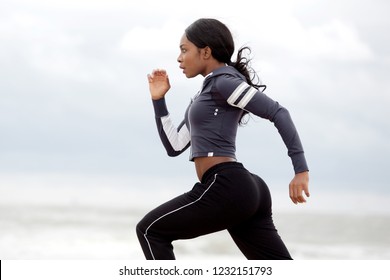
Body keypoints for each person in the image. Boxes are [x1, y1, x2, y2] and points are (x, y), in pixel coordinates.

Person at [136, 18, 310, 260]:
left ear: (205, 52)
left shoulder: (225, 83)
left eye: (184, 50)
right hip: (241, 188)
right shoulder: (205, 94)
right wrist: (158, 100)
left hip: (226, 184)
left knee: (150, 230)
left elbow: (278, 112)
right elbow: (174, 146)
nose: (179, 58)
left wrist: (300, 170)